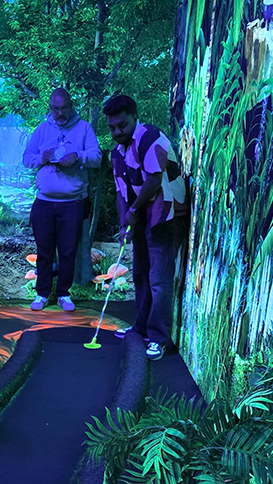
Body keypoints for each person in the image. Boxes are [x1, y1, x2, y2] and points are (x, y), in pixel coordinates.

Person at [105, 94, 187, 361]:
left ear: (134, 117)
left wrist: (132, 212)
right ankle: (140, 328)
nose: (117, 132)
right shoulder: (117, 153)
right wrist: (124, 224)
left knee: (159, 280)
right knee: (140, 274)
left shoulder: (150, 137)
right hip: (142, 214)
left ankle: (159, 338)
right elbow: (121, 193)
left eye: (122, 125)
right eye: (112, 127)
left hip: (166, 213)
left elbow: (153, 180)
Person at [22, 88, 101, 312]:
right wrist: (42, 158)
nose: (60, 113)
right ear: (50, 108)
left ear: (71, 106)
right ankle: (42, 293)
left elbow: (97, 157)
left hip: (73, 202)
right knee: (44, 250)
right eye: (55, 109)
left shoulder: (83, 128)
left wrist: (78, 156)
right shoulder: (42, 129)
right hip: (44, 201)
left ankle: (64, 294)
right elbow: (26, 159)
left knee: (68, 250)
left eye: (64, 108)